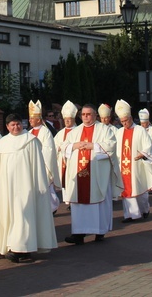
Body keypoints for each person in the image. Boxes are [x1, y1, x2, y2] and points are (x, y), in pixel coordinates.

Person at [0, 114, 58, 263]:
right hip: (7, 187)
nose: (16, 127)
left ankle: (23, 249)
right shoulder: (3, 142)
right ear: (7, 127)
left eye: (18, 124)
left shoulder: (31, 141)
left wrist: (39, 184)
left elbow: (38, 165)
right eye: (12, 125)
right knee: (8, 216)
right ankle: (8, 246)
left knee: (23, 215)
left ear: (23, 124)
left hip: (26, 187)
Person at [62, 104, 121, 245]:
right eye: (83, 114)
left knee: (98, 202)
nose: (86, 117)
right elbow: (64, 147)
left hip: (97, 175)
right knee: (79, 204)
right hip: (79, 173)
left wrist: (93, 146)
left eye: (89, 114)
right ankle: (78, 234)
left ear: (96, 115)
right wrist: (73, 146)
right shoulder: (74, 132)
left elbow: (111, 146)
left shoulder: (104, 130)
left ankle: (99, 231)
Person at [114, 100, 152, 222]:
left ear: (131, 118)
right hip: (124, 166)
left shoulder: (140, 130)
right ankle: (130, 215)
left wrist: (142, 154)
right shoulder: (119, 132)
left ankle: (145, 209)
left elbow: (148, 145)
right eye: (122, 122)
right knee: (126, 190)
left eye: (126, 121)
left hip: (137, 165)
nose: (124, 124)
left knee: (140, 190)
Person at [27, 100, 61, 213]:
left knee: (46, 188)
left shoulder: (45, 132)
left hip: (42, 165)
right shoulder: (29, 132)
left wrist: (38, 158)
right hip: (30, 165)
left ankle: (52, 208)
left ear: (38, 119)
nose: (30, 120)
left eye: (32, 118)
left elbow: (49, 150)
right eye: (30, 118)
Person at [53, 100, 78, 203]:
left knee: (73, 180)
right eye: (65, 119)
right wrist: (58, 148)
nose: (67, 122)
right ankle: (67, 200)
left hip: (73, 160)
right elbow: (54, 146)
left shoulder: (78, 131)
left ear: (73, 119)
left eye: (69, 119)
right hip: (62, 161)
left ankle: (73, 199)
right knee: (64, 180)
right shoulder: (60, 133)